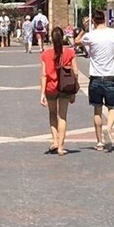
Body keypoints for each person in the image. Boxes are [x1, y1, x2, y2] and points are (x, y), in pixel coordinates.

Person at [75, 11, 114, 152]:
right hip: (111, 76)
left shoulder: (90, 36)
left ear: (94, 22)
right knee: (113, 107)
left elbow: (76, 41)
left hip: (95, 77)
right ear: (105, 19)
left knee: (97, 110)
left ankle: (99, 143)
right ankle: (108, 129)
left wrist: (84, 29)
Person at [39, 26, 77, 156]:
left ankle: (55, 140)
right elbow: (75, 73)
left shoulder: (45, 54)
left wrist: (42, 93)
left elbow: (44, 74)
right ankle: (61, 146)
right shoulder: (69, 53)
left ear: (51, 38)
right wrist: (73, 92)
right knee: (63, 116)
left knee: (52, 113)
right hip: (65, 88)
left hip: (50, 88)